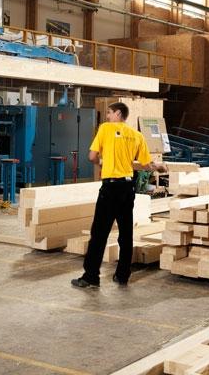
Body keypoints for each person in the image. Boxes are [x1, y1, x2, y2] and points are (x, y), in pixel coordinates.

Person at [72, 102, 165, 289]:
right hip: (127, 188)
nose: (107, 116)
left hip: (110, 188)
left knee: (99, 234)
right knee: (125, 233)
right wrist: (159, 167)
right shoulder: (137, 135)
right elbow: (146, 164)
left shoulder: (105, 129)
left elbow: (92, 157)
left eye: (109, 112)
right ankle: (122, 275)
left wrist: (102, 162)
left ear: (118, 113)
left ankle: (91, 276)